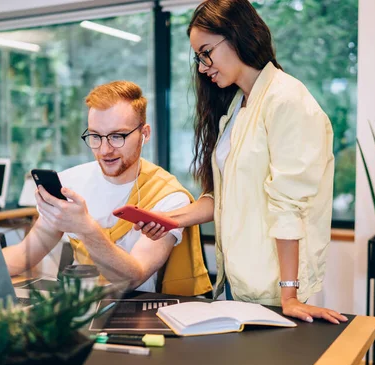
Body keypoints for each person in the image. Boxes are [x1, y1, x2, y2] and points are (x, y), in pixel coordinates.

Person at [137, 0, 347, 324]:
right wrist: (169, 219)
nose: (203, 66)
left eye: (206, 52)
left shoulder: (287, 99)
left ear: (237, 35)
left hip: (271, 290)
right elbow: (224, 197)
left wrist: (289, 295)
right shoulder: (238, 107)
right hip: (234, 283)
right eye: (198, 57)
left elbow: (289, 205)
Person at [3, 81, 212, 296]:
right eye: (95, 136)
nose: (105, 150)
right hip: (78, 308)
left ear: (145, 134)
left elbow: (134, 277)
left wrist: (85, 227)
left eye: (117, 136)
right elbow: (23, 256)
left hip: (134, 313)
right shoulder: (69, 183)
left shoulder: (168, 197)